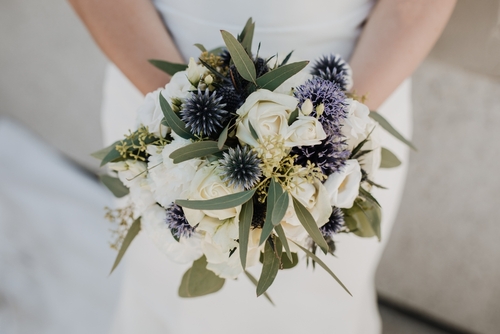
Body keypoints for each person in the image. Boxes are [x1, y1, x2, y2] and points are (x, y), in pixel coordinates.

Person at [68, 1, 456, 333]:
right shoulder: (168, 115)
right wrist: (182, 123)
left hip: (360, 90)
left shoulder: (344, 132)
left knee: (319, 307)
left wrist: (331, 137)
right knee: (167, 299)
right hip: (151, 84)